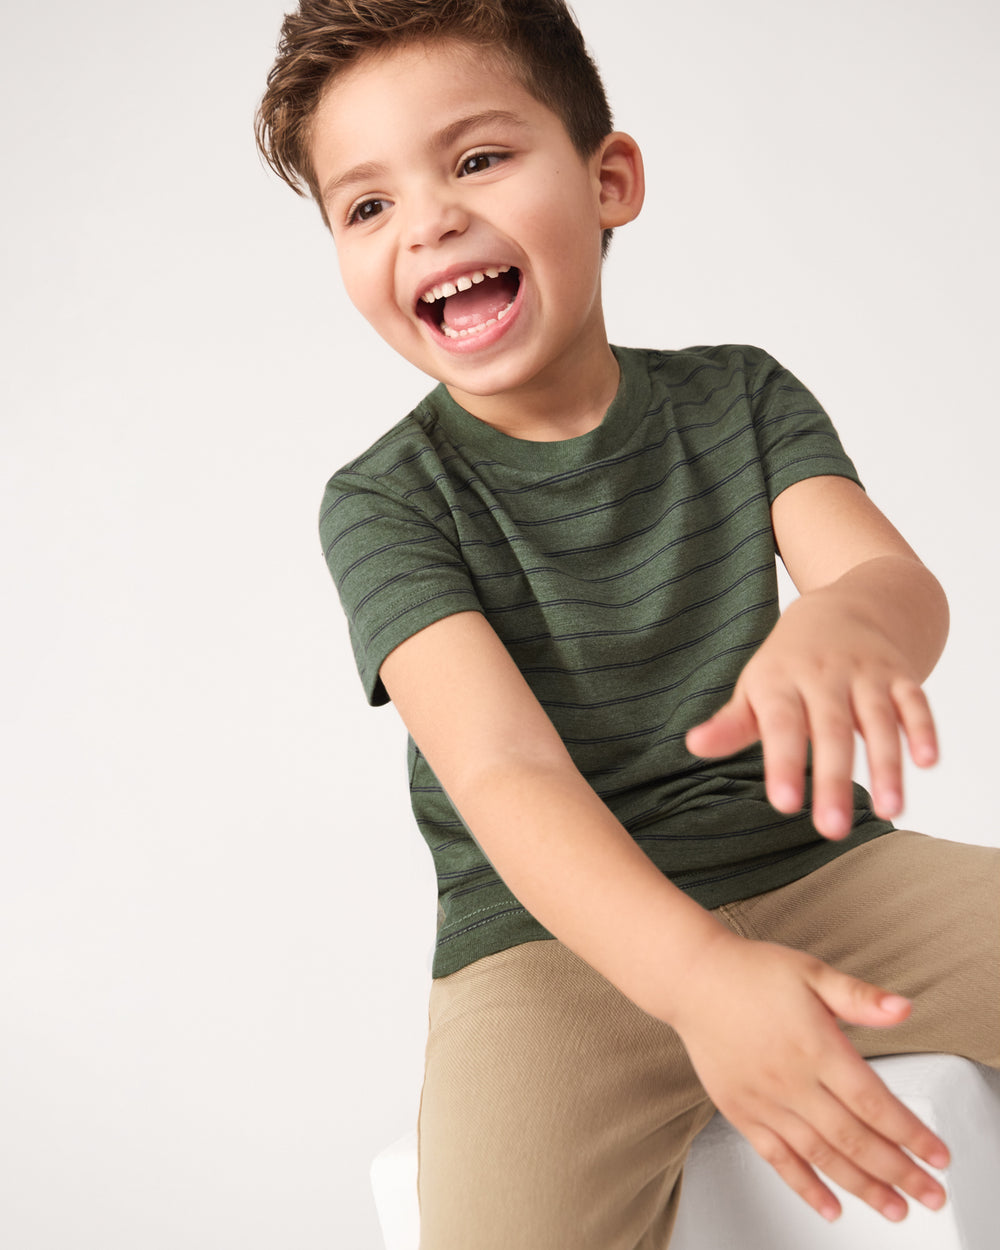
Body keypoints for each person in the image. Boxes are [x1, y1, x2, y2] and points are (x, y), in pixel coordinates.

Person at [255, 2, 999, 1245]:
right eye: (366, 205)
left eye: (475, 159)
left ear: (609, 181)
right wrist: (699, 979)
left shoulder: (741, 394)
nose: (428, 218)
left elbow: (888, 578)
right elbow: (501, 769)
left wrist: (851, 623)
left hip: (819, 875)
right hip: (547, 949)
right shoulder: (382, 500)